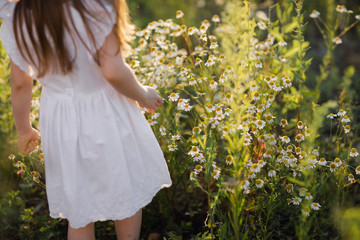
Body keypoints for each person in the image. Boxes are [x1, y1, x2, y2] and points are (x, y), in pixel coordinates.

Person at [0, 0, 172, 239]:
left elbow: (20, 84)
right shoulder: (93, 4)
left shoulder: (18, 16)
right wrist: (143, 95)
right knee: (124, 188)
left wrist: (24, 129)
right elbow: (112, 70)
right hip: (105, 110)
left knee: (79, 208)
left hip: (59, 119)